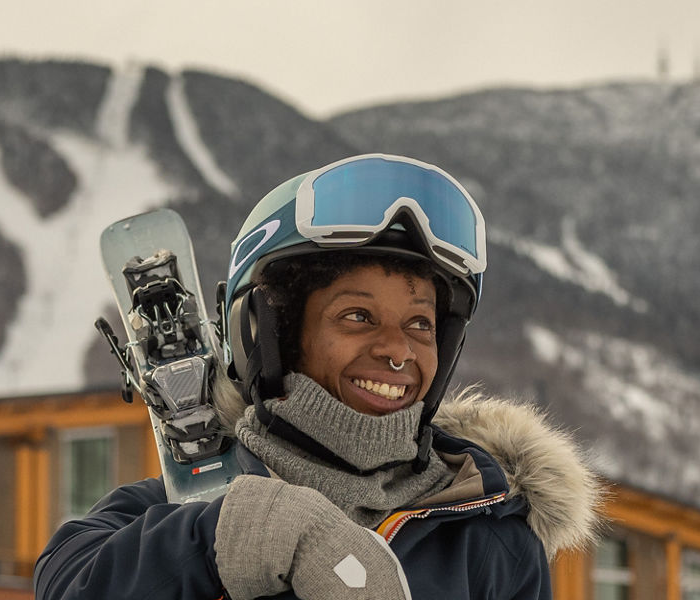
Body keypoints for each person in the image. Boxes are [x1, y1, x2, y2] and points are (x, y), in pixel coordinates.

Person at [35, 154, 603, 600]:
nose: (397, 350)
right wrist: (241, 533)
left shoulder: (490, 540)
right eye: (357, 316)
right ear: (274, 335)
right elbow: (67, 583)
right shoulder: (172, 513)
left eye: (420, 324)